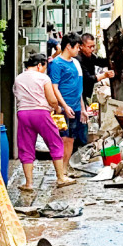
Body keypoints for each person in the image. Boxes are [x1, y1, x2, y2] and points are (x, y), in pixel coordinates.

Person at [13, 53, 75, 191]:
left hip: (23, 113)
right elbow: (52, 99)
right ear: (40, 65)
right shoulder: (43, 77)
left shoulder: (18, 78)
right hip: (41, 113)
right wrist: (57, 108)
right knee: (55, 142)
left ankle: (28, 183)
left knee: (26, 147)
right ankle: (61, 177)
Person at [49, 32, 87, 171]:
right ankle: (60, 171)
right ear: (68, 46)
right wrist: (64, 106)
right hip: (62, 109)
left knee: (71, 139)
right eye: (77, 46)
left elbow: (79, 88)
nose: (78, 49)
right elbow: (54, 88)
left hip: (76, 107)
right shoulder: (57, 64)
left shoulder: (76, 62)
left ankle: (64, 169)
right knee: (62, 140)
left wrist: (83, 108)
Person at [75, 33, 114, 102]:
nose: (92, 49)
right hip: (80, 94)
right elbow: (88, 78)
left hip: (87, 91)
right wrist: (104, 75)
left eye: (93, 46)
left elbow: (101, 62)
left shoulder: (90, 56)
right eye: (89, 47)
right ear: (81, 46)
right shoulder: (78, 60)